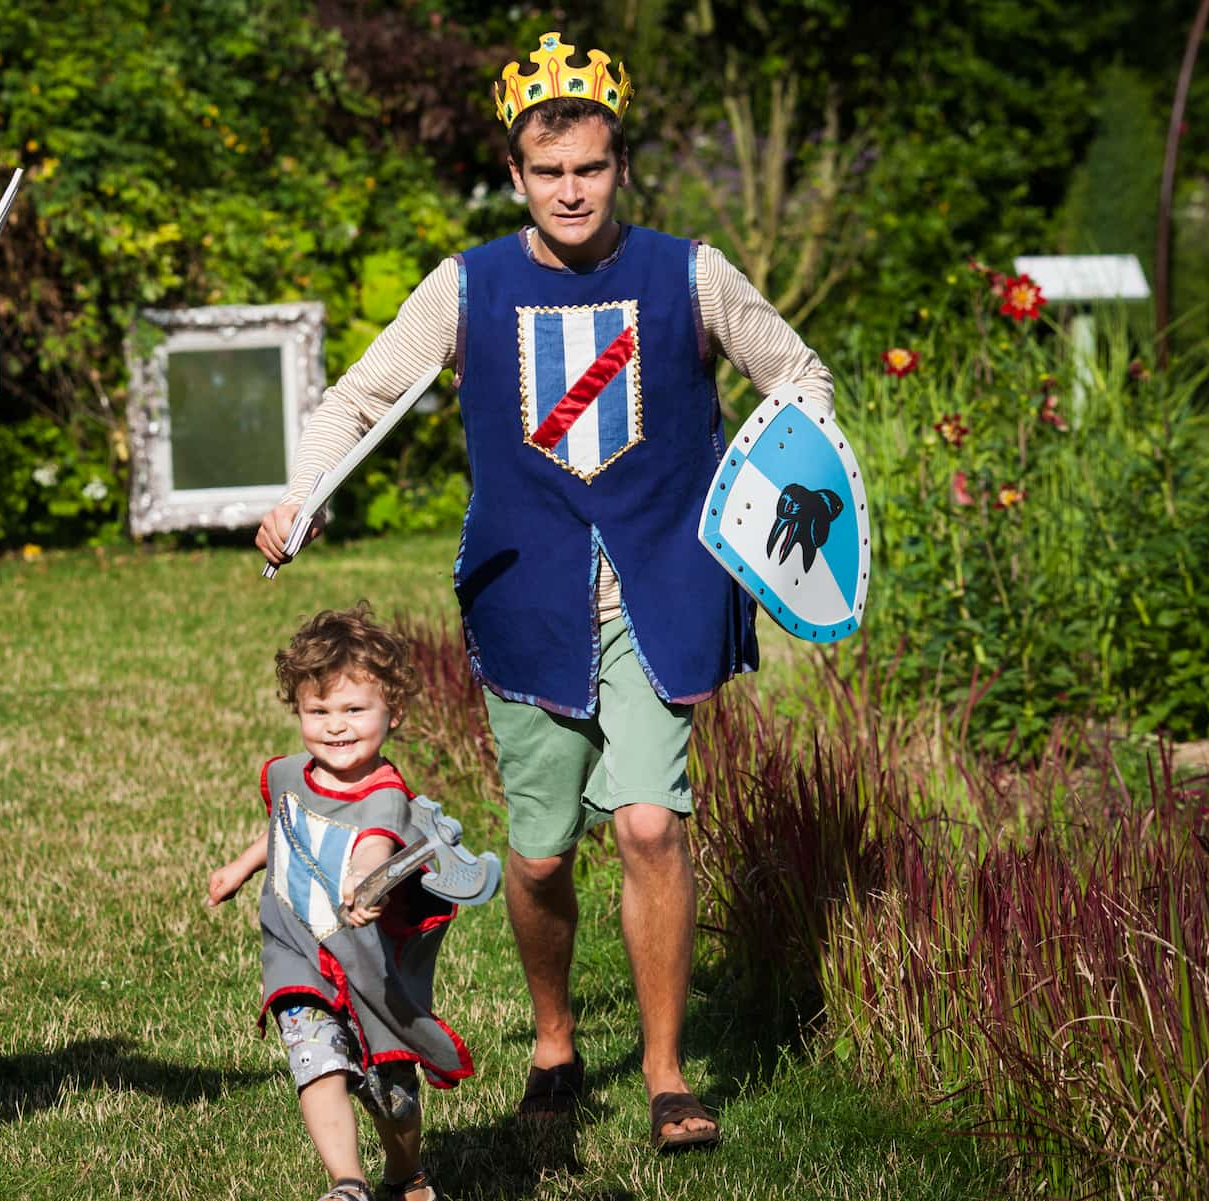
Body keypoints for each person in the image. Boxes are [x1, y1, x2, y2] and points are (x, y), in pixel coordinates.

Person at [256, 34, 834, 1150]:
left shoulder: (691, 272)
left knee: (655, 827)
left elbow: (798, 374)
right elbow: (367, 392)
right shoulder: (469, 284)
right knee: (539, 853)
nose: (573, 190)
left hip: (664, 589)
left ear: (621, 168)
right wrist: (303, 490)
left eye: (593, 168)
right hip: (529, 599)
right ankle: (556, 1038)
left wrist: (784, 482)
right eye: (550, 172)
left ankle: (667, 1075)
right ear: (518, 176)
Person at [206, 605, 471, 1201]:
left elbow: (373, 847)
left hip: (367, 968)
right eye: (318, 711)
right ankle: (347, 1184)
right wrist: (243, 867)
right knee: (316, 1062)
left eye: (354, 710)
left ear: (393, 712)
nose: (335, 726)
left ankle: (407, 1175)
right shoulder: (295, 775)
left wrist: (362, 879)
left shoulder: (384, 795)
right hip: (298, 949)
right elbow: (287, 823)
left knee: (390, 1095)